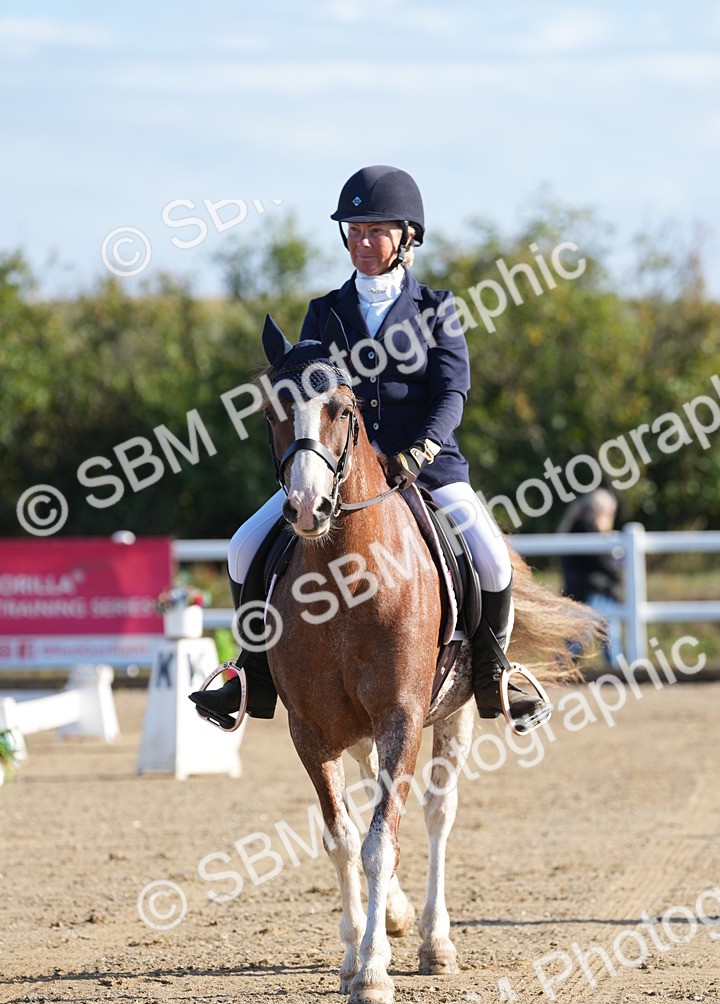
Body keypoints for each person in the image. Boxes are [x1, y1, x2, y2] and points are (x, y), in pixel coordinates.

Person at [191, 164, 545, 730]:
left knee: (493, 559)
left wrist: (422, 450)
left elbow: (452, 391)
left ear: (407, 237)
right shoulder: (325, 311)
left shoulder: (436, 309)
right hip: (335, 470)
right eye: (353, 231)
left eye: (375, 231)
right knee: (241, 548)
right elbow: (305, 394)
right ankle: (249, 676)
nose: (362, 242)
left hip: (426, 468)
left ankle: (495, 672)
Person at [559, 488, 624, 662]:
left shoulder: (575, 528)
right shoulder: (585, 530)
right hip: (592, 592)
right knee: (589, 633)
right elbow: (602, 564)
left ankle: (561, 667)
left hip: (583, 591)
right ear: (598, 511)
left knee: (596, 633)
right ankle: (618, 668)